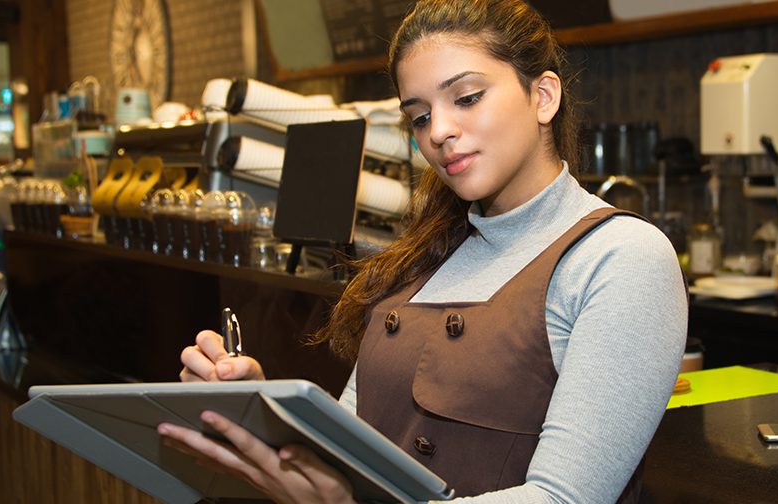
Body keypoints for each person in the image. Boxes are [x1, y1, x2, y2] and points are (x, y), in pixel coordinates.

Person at [159, 0, 688, 502]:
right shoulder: (421, 256)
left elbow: (563, 498)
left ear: (543, 96)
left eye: (467, 97)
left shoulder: (621, 258)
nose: (439, 132)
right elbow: (358, 451)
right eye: (418, 116)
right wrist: (264, 413)